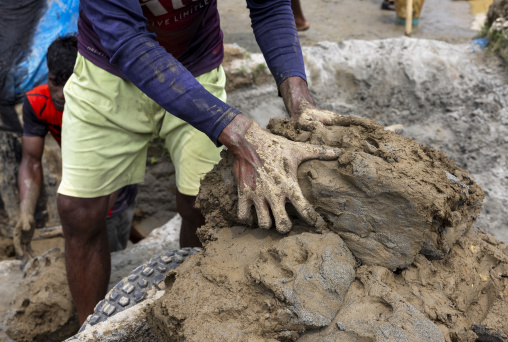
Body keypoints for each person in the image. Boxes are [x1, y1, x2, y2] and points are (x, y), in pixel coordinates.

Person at [58, 0, 341, 325]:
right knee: (79, 211)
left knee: (202, 202)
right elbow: (128, 41)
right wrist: (232, 127)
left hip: (196, 68)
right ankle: (88, 336)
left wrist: (298, 95)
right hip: (107, 71)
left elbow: (269, 6)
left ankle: (190, 311)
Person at [14, 35, 139, 260]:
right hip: (83, 171)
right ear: (47, 76)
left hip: (117, 175)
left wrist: (94, 218)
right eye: (55, 82)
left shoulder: (106, 104)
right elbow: (31, 160)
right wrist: (26, 211)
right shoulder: (37, 103)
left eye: (69, 83)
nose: (61, 93)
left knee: (108, 248)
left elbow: (119, 164)